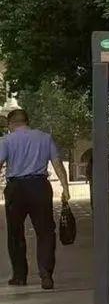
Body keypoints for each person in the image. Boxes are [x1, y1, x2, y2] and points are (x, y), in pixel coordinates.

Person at [0, 108, 70, 290]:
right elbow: (57, 163)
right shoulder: (45, 138)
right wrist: (65, 187)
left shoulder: (6, 141)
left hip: (16, 189)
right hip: (39, 187)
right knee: (45, 231)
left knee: (15, 233)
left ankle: (19, 276)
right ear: (27, 121)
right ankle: (46, 275)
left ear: (11, 124)